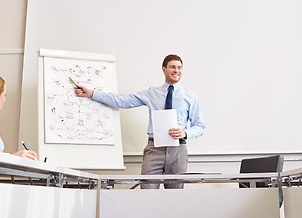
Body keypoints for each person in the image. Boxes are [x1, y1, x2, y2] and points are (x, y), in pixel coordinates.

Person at [75, 54, 205, 189]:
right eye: (172, 67)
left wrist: (185, 132)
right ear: (164, 69)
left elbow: (200, 126)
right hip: (154, 148)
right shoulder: (151, 93)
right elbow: (122, 100)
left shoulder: (190, 96)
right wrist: (92, 94)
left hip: (178, 150)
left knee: (174, 197)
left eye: (179, 68)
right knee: (146, 194)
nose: (176, 71)